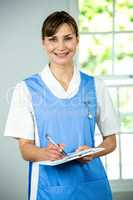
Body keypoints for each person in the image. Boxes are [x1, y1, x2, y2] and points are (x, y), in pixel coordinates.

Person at [4, 10, 119, 200]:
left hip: (92, 186)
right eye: (52, 39)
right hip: (49, 188)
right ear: (43, 43)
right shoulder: (25, 89)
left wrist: (93, 152)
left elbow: (111, 141)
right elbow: (25, 149)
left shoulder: (95, 86)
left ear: (77, 40)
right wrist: (45, 153)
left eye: (67, 38)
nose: (61, 46)